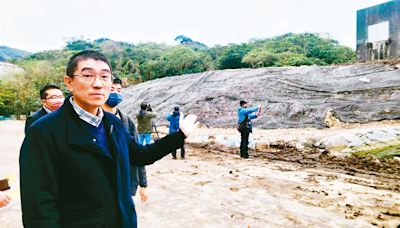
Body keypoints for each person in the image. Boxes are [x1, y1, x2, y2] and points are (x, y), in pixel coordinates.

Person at [20, 50, 198, 228]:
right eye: (88, 75)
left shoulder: (114, 123)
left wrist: (179, 136)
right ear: (69, 82)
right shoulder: (43, 132)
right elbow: (39, 208)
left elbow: (141, 155)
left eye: (105, 77)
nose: (98, 84)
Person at [102, 77, 148, 203]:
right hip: (101, 186)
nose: (115, 93)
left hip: (126, 183)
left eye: (119, 90)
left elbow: (138, 154)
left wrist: (143, 184)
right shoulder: (93, 119)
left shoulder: (127, 121)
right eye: (111, 89)